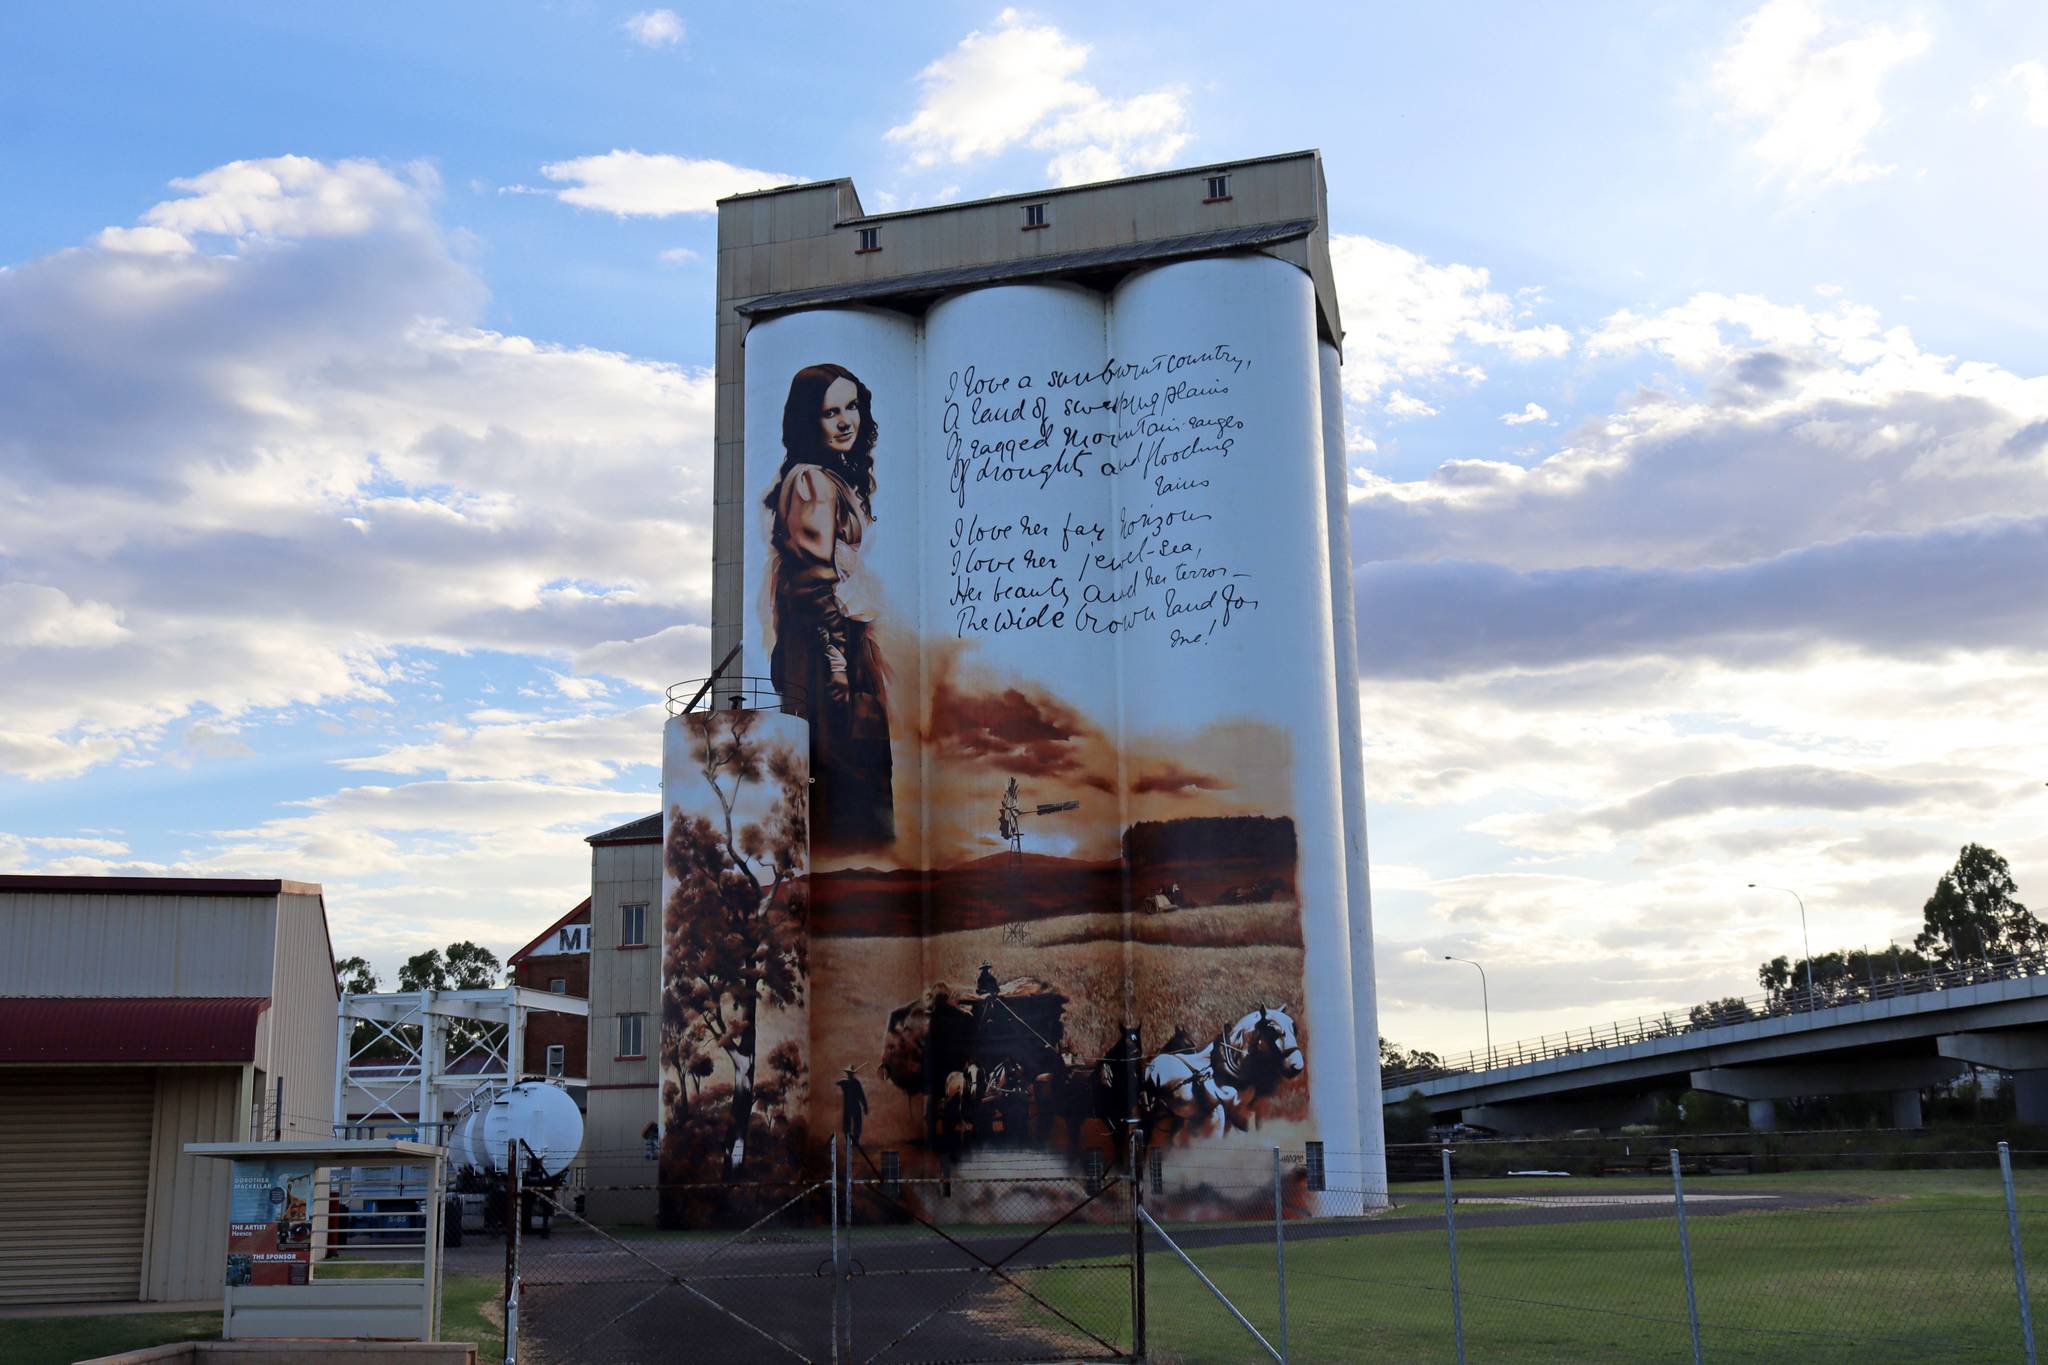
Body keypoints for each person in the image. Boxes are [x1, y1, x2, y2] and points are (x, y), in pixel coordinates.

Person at [762, 363, 894, 852]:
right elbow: (814, 586)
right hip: (825, 653)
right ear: (807, 421)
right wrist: (839, 677)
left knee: (853, 787)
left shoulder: (831, 477)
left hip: (834, 648)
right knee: (848, 785)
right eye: (830, 412)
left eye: (852, 407)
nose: (845, 421)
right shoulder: (813, 482)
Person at [835, 1065, 869, 1147]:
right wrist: (865, 1106)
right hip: (852, 1106)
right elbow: (861, 1095)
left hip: (851, 1106)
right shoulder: (850, 1082)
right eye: (849, 1073)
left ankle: (854, 1141)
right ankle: (850, 1142)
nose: (850, 1075)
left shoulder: (846, 1083)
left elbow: (861, 1095)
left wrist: (865, 1106)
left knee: (855, 1124)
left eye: (850, 1073)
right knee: (850, 1125)